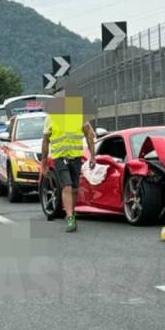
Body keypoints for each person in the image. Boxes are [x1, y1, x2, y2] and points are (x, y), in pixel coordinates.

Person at [40, 94, 97, 233]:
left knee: (75, 189)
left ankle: (72, 211)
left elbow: (89, 133)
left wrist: (93, 156)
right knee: (66, 186)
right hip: (59, 157)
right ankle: (70, 217)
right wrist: (44, 162)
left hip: (75, 157)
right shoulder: (51, 117)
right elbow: (46, 140)